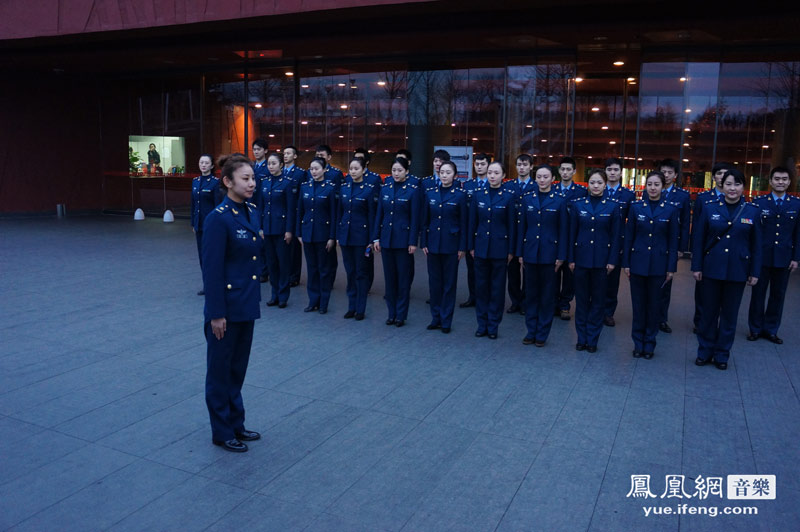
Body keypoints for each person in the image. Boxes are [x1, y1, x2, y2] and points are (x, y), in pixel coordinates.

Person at [201, 153, 262, 453]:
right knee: (219, 372)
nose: (252, 183)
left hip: (245, 306)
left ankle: (236, 423)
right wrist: (216, 314)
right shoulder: (217, 219)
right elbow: (211, 271)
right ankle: (222, 431)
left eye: (253, 178)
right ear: (227, 182)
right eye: (245, 179)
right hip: (225, 310)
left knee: (237, 370)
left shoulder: (251, 211)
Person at [692, 168, 761, 370]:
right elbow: (699, 239)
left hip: (738, 271)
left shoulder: (752, 211)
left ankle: (722, 355)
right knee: (708, 314)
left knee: (729, 316)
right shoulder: (710, 207)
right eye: (729, 184)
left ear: (743, 187)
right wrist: (696, 266)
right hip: (711, 269)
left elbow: (756, 246)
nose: (732, 188)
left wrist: (754, 272)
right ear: (721, 185)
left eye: (737, 184)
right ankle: (704, 351)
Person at [622, 171, 679, 359]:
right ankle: (638, 343)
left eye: (656, 184)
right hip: (638, 262)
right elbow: (629, 235)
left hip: (659, 265)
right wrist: (626, 263)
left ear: (663, 187)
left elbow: (673, 241)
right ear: (645, 187)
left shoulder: (671, 208)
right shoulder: (636, 207)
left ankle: (650, 344)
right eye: (649, 184)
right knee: (639, 306)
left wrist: (671, 267)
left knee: (654, 307)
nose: (653, 188)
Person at [568, 169, 621, 352]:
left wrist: (613, 260)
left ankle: (592, 339)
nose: (595, 186)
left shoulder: (613, 206)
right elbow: (571, 234)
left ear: (605, 185)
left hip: (602, 262)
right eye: (592, 182)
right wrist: (571, 259)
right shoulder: (578, 205)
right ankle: (581, 338)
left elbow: (616, 237)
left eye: (599, 183)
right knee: (581, 301)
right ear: (587, 185)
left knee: (598, 303)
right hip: (581, 260)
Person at [517, 164, 568, 347]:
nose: (542, 180)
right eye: (539, 176)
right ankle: (531, 331)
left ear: (552, 179)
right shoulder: (527, 198)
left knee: (547, 296)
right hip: (530, 252)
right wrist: (519, 253)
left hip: (550, 254)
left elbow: (563, 231)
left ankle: (542, 334)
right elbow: (521, 227)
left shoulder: (560, 200)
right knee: (531, 295)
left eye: (546, 176)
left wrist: (561, 256)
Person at [747, 166, 799, 344]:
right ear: (770, 181)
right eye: (777, 179)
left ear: (790, 182)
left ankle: (771, 329)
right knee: (758, 294)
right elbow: (753, 233)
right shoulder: (759, 203)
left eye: (784, 179)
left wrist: (796, 257)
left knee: (778, 295)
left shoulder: (796, 204)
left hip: (784, 257)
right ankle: (755, 328)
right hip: (762, 257)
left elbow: (798, 234)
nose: (781, 182)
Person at [469, 161, 516, 339]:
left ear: (503, 175)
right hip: (480, 248)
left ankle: (493, 325)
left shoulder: (509, 196)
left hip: (500, 249)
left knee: (497, 289)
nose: (492, 176)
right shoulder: (478, 194)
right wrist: (471, 246)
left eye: (496, 173)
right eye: (490, 173)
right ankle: (482, 324)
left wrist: (511, 250)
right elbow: (472, 222)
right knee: (481, 288)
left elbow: (512, 226)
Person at [372, 157, 421, 327]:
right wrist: (376, 237)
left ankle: (401, 314)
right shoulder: (385, 188)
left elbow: (415, 219)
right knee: (390, 279)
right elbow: (380, 215)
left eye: (400, 170)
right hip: (386, 240)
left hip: (403, 241)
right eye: (394, 170)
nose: (396, 173)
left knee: (403, 280)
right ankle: (391, 313)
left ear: (407, 171)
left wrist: (413, 241)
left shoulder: (413, 190)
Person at [421, 161, 468, 333]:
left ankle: (446, 320)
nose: (444, 175)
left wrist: (462, 247)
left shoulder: (460, 195)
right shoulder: (430, 193)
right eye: (442, 172)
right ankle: (435, 318)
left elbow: (464, 223)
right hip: (433, 244)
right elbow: (425, 221)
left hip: (451, 245)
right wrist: (424, 242)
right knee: (434, 284)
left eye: (448, 172)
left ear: (455, 176)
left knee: (449, 285)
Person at [691, 161, 732, 333]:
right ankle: (700, 320)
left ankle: (718, 322)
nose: (722, 176)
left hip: (728, 254)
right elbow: (698, 230)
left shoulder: (738, 199)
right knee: (702, 290)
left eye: (726, 173)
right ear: (714, 177)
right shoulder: (703, 198)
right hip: (708, 252)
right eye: (719, 173)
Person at [338, 157, 378, 320]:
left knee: (361, 273)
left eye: (356, 168)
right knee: (350, 273)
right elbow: (340, 213)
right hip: (346, 237)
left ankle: (360, 308)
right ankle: (351, 306)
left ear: (363, 170)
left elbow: (371, 216)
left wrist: (372, 238)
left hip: (361, 238)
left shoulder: (368, 189)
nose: (353, 171)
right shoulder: (344, 188)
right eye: (351, 169)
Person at [297, 157, 337, 313]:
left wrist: (332, 237)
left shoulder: (330, 188)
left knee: (324, 269)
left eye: (317, 168)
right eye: (311, 169)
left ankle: (323, 303)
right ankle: (313, 301)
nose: (313, 172)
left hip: (323, 235)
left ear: (324, 170)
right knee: (312, 269)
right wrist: (299, 233)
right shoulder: (305, 187)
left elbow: (334, 215)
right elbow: (300, 211)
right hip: (308, 233)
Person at [658, 158, 691, 333]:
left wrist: (681, 248)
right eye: (663, 172)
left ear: (676, 175)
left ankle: (662, 318)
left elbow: (685, 224)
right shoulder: (651, 191)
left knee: (666, 281)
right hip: (653, 244)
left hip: (671, 246)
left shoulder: (683, 196)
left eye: (670, 172)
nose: (667, 175)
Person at [602, 157, 635, 327]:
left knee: (612, 282)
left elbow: (631, 225)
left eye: (615, 170)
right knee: (596, 278)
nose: (612, 173)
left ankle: (608, 313)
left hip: (617, 243)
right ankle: (595, 310)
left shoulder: (628, 195)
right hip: (599, 241)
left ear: (621, 172)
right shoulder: (597, 190)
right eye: (609, 169)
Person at [260, 152, 296, 308]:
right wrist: (260, 227)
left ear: (281, 165)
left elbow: (290, 209)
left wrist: (289, 230)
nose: (270, 166)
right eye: (269, 164)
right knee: (271, 263)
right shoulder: (264, 182)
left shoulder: (287, 182)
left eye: (274, 163)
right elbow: (261, 207)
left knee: (283, 263)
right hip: (267, 229)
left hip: (281, 229)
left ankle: (283, 295)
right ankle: (274, 294)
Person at [555, 156, 587, 320]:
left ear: (574, 171)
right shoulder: (552, 190)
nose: (565, 172)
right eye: (563, 169)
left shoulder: (582, 192)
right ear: (559, 171)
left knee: (569, 274)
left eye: (569, 169)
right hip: (555, 238)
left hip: (574, 238)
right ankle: (553, 304)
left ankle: (565, 305)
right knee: (553, 273)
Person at [505, 154, 537, 315]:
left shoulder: (537, 186)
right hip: (512, 233)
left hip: (529, 232)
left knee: (528, 270)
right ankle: (515, 301)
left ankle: (525, 301)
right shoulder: (509, 186)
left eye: (525, 164)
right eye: (519, 164)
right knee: (512, 271)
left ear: (531, 166)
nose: (521, 167)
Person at [459, 153, 490, 308]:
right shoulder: (468, 185)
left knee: (486, 271)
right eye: (477, 164)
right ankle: (473, 296)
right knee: (471, 269)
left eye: (482, 164)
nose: (479, 167)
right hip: (472, 232)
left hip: (487, 233)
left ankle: (486, 298)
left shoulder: (493, 184)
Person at [191, 154, 222, 295]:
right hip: (199, 225)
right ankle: (206, 284)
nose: (203, 165)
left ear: (211, 166)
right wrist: (193, 223)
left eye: (206, 163)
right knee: (202, 256)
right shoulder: (195, 181)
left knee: (211, 256)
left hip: (210, 225)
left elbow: (217, 207)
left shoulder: (215, 183)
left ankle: (214, 284)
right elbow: (193, 204)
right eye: (201, 162)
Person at [283, 145, 305, 287]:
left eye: (288, 153)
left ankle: (294, 276)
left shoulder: (300, 173)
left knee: (294, 248)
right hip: (281, 213)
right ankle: (284, 273)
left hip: (295, 212)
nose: (285, 156)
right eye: (284, 153)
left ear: (295, 156)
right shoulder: (279, 172)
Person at [251, 138, 270, 282]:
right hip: (251, 207)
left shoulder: (268, 167)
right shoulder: (251, 167)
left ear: (265, 151)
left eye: (259, 149)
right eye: (254, 149)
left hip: (263, 207)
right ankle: (256, 269)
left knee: (264, 241)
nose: (256, 152)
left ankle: (265, 271)